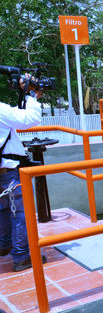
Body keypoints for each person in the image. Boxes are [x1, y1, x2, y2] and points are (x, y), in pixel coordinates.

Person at [1, 76, 43, 272]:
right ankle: (22, 255)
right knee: (21, 213)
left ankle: (4, 245)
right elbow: (30, 119)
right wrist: (32, 95)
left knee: (3, 210)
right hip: (9, 169)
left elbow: (15, 114)